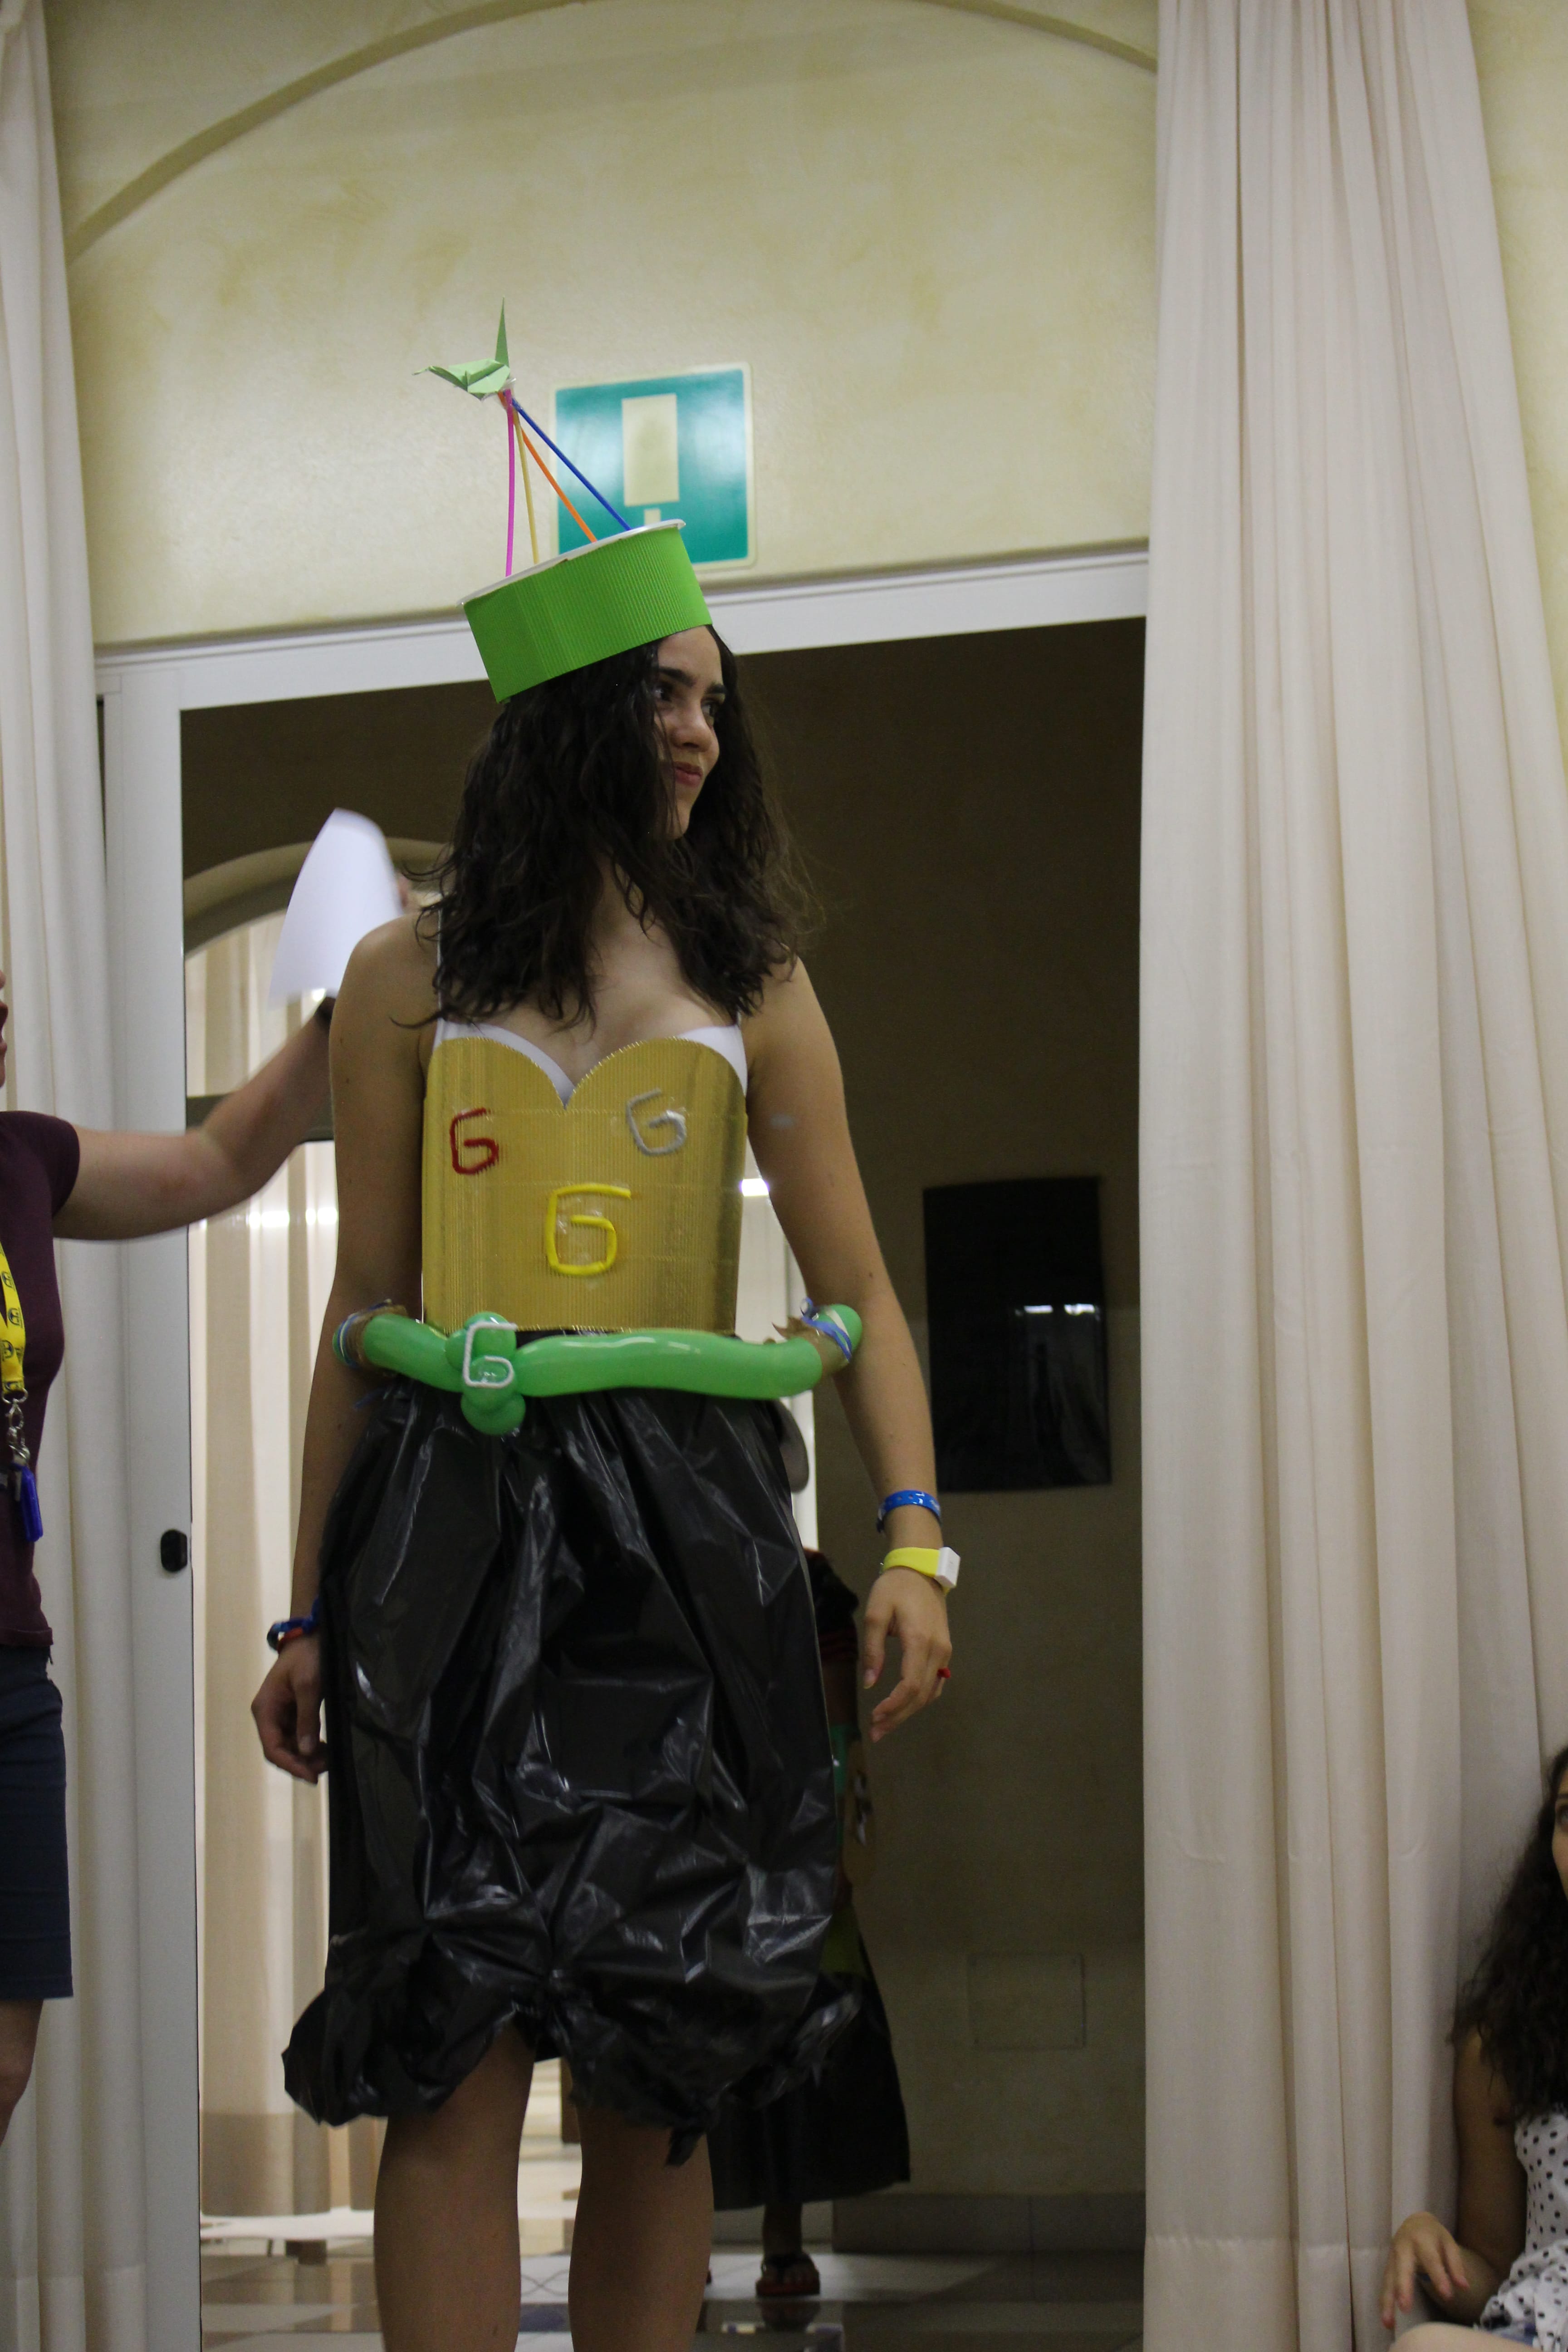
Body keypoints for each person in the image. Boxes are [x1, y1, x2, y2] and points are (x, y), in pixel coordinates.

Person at [249, 521, 954, 2352]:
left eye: (715, 699)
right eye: (663, 692)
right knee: (450, 2031)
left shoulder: (756, 982)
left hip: (687, 1536)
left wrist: (915, 1540)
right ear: (562, 716)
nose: (702, 731)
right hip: (450, 1523)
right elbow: (362, 1307)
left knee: (666, 2044)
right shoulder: (401, 981)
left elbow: (859, 1293)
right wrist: (306, 1611)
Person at [0, 971, 331, 2144]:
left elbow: (217, 1162)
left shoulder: (22, 1160)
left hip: (8, 1674)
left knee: (4, 2058)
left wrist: (340, 1015)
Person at [707, 1538, 911, 2301]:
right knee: (679, 2029)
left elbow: (839, 1733)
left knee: (794, 2031)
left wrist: (837, 1846)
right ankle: (673, 2239)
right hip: (690, 1813)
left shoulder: (811, 1586)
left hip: (786, 1824)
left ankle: (781, 2234)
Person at [1382, 1746, 1568, 2350]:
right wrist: (1428, 2243)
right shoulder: (1508, 2043)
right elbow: (1493, 2268)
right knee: (1425, 2348)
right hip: (1546, 2325)